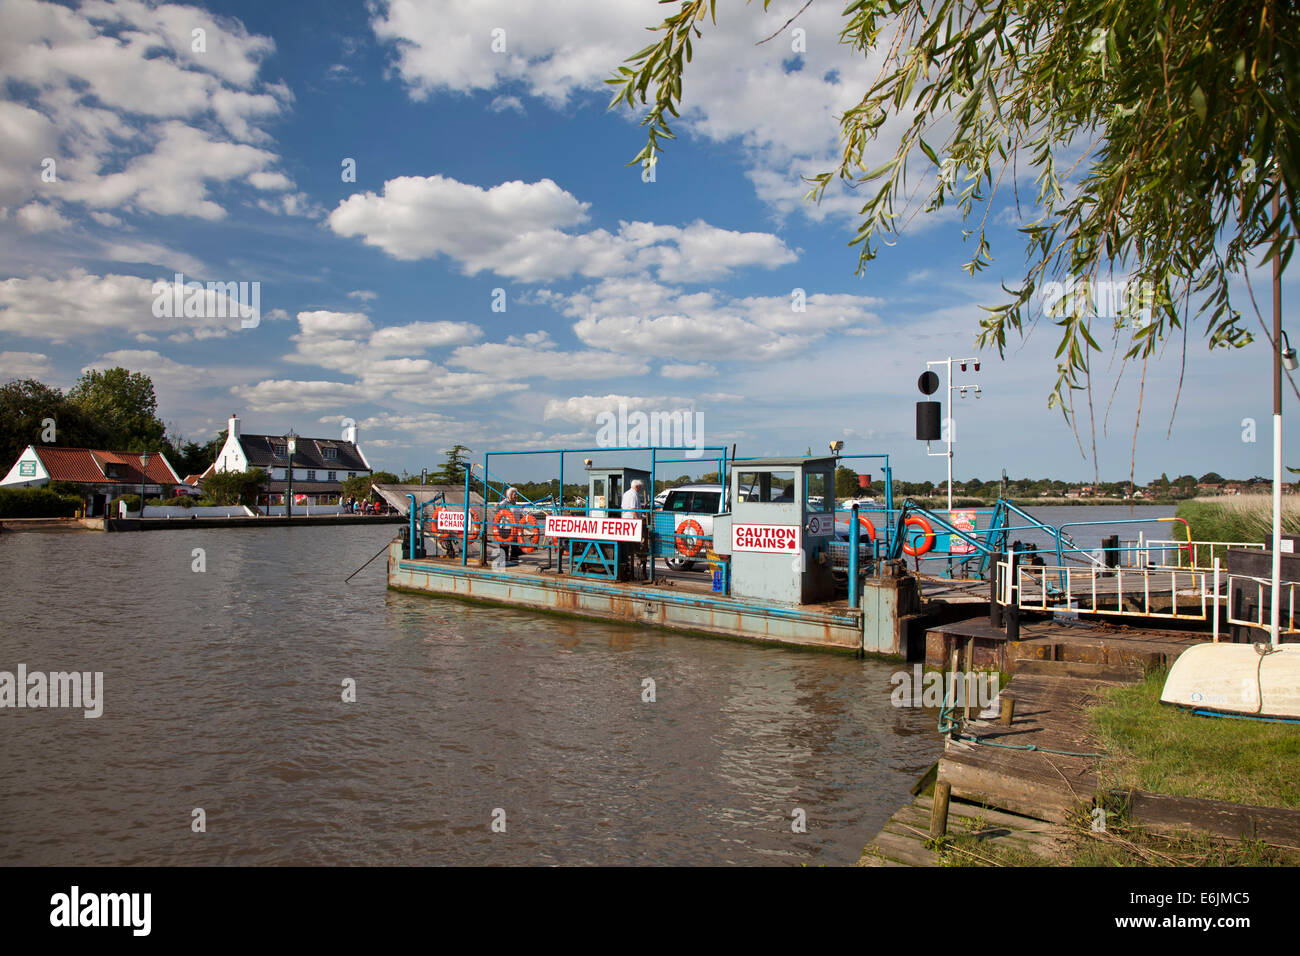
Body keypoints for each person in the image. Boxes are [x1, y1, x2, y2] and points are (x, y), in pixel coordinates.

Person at [502, 487, 523, 562]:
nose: (516, 496)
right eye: (515, 494)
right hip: (506, 528)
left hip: (515, 528)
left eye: (516, 494)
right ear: (510, 495)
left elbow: (521, 514)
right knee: (505, 544)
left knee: (515, 544)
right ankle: (504, 559)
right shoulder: (505, 503)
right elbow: (497, 508)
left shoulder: (516, 505)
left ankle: (514, 559)